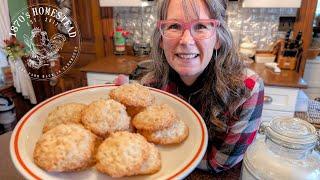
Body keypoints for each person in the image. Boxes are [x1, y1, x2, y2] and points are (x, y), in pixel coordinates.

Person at [115, 0, 264, 173]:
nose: (186, 40)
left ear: (218, 38)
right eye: (174, 26)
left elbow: (219, 162)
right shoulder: (148, 86)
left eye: (201, 26)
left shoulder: (246, 90)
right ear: (161, 38)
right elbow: (138, 145)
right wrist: (123, 116)